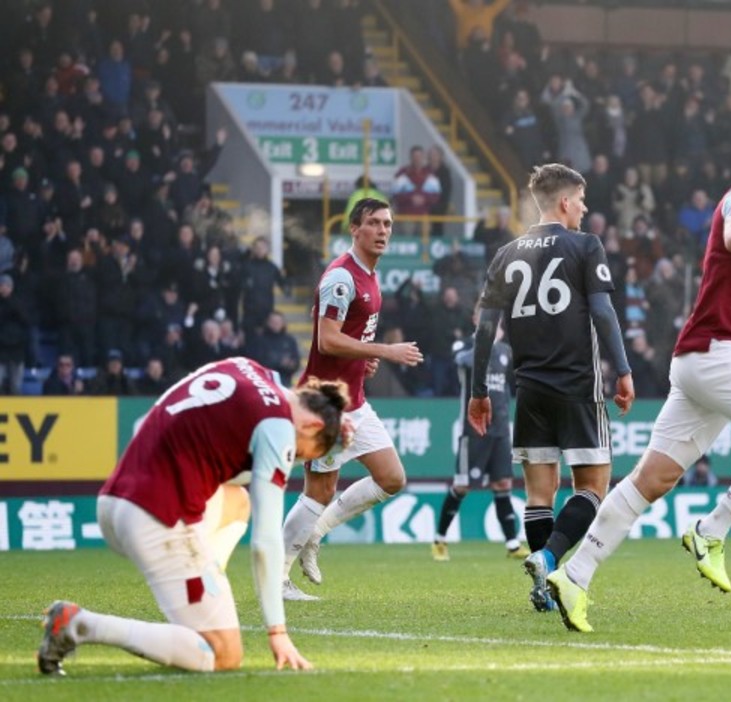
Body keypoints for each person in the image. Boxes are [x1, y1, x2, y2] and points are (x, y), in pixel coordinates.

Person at [544, 117, 731, 632]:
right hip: (717, 355)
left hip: (705, 360)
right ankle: (712, 530)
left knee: (651, 479)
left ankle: (575, 575)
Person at [36, 357, 348, 675]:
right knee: (224, 654)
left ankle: (203, 588)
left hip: (114, 501)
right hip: (158, 518)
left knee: (237, 502)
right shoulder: (278, 426)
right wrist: (277, 631)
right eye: (300, 453)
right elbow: (266, 539)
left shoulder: (247, 367)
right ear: (313, 425)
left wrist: (335, 430)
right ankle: (79, 624)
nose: (291, 457)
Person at [468, 163, 635, 613]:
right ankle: (548, 559)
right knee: (593, 488)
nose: (584, 208)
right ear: (564, 201)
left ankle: (542, 591)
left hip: (529, 390)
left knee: (539, 496)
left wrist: (478, 391)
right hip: (578, 385)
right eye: (580, 200)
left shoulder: (506, 254)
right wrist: (623, 369)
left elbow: (485, 330)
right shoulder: (585, 245)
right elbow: (602, 312)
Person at [280, 198, 425, 601]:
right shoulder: (341, 278)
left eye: (388, 224)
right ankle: (277, 578)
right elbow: (327, 340)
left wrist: (363, 361)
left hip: (353, 401)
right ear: (354, 229)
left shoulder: (370, 276)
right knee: (318, 491)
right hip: (323, 403)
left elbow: (347, 339)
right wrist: (384, 351)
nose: (383, 231)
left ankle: (315, 534)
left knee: (391, 478)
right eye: (374, 223)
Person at [431, 309, 528, 561]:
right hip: (473, 430)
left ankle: (512, 545)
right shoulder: (464, 345)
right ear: (475, 319)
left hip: (500, 428)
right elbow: (461, 361)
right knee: (462, 486)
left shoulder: (505, 351)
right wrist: (485, 341)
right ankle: (439, 540)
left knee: (503, 484)